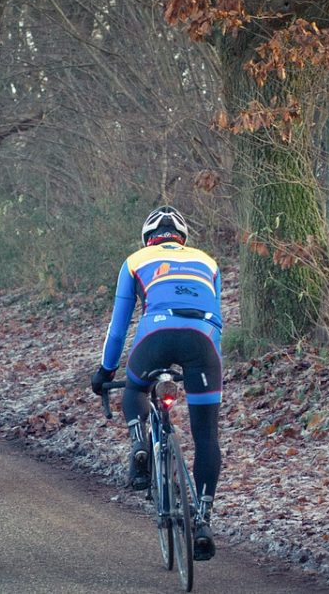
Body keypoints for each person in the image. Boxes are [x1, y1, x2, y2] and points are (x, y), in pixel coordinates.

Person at [91, 205, 223, 561]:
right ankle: (203, 519)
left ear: (148, 238)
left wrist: (104, 373)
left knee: (135, 389)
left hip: (156, 336)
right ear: (183, 239)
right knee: (207, 436)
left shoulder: (135, 260)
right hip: (203, 344)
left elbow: (118, 329)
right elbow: (218, 323)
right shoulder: (208, 261)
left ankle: (139, 444)